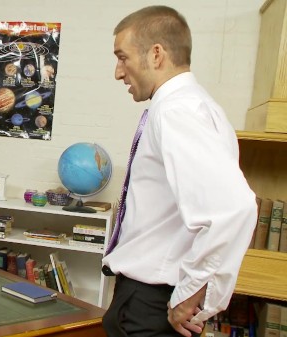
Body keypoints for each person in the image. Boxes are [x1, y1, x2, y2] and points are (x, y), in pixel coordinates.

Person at [101, 6, 257, 337]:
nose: (118, 72)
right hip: (151, 302)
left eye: (122, 57)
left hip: (151, 307)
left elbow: (232, 210)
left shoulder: (177, 111)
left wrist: (189, 296)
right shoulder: (196, 106)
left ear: (156, 54)